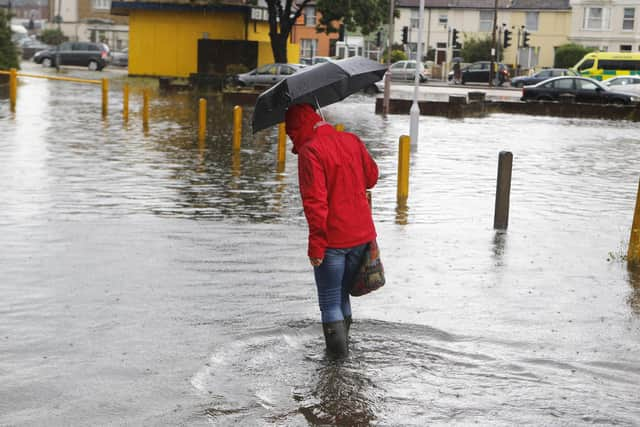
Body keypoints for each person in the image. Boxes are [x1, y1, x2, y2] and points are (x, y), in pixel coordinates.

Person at [285, 103, 379, 359]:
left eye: (290, 132)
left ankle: (336, 365)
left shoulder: (310, 151)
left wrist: (316, 246)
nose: (291, 138)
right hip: (362, 236)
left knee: (329, 300)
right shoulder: (351, 139)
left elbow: (315, 203)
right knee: (342, 294)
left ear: (297, 128)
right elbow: (372, 177)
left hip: (332, 240)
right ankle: (344, 356)